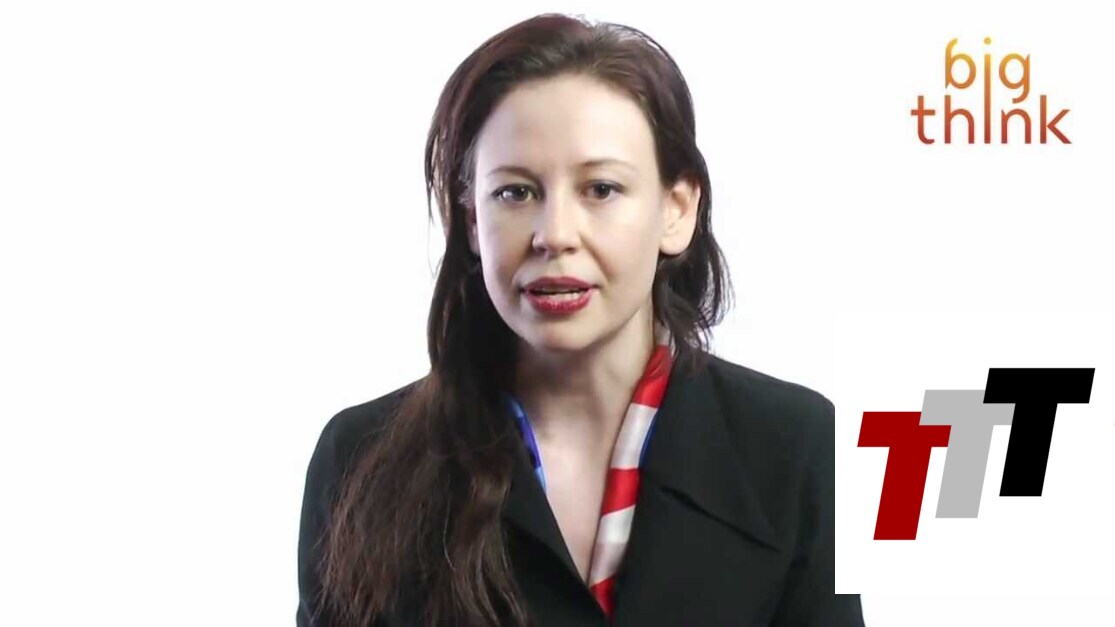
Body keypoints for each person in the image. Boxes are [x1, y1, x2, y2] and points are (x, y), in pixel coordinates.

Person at [297, 12, 864, 627]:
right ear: (472, 222)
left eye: (600, 190)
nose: (555, 234)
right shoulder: (360, 459)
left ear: (677, 210)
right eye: (515, 192)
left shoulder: (797, 447)